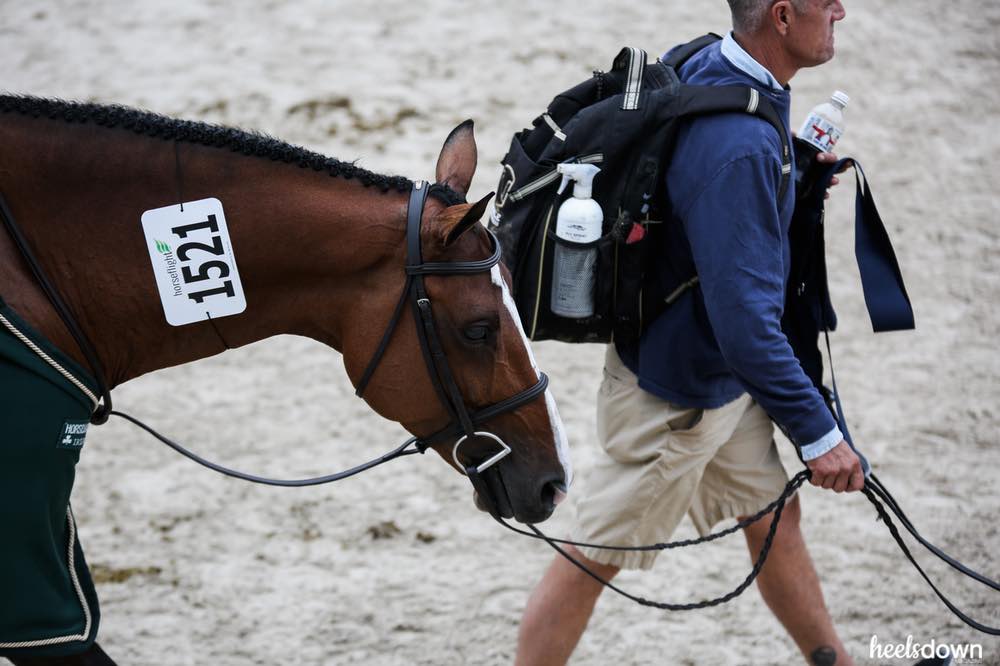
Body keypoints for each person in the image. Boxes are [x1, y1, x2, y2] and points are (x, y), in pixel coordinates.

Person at [515, 2, 870, 665]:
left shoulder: (717, 65)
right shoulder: (738, 147)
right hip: (675, 403)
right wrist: (820, 437)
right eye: (826, 3)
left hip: (714, 375)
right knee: (594, 555)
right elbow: (746, 325)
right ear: (785, 17)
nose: (840, 11)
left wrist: (792, 168)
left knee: (770, 516)